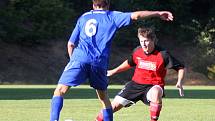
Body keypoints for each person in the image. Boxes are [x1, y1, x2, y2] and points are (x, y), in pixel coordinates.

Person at [50, 0, 174, 121]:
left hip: (79, 59)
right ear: (108, 3)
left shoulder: (83, 17)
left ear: (93, 4)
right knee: (104, 99)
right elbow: (137, 15)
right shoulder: (112, 16)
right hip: (99, 63)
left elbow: (70, 44)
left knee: (59, 91)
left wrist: (73, 61)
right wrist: (157, 13)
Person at [95, 27, 185, 121]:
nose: (143, 44)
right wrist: (114, 71)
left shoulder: (163, 54)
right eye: (141, 41)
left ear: (153, 40)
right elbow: (130, 63)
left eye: (146, 41)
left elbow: (180, 67)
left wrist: (179, 82)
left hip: (153, 85)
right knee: (111, 107)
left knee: (156, 92)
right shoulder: (137, 51)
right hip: (135, 85)